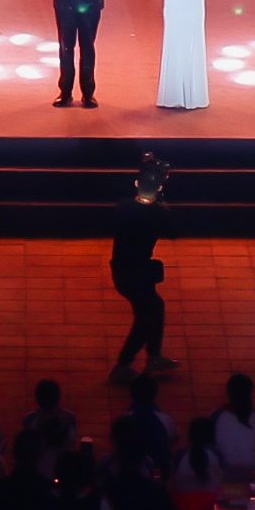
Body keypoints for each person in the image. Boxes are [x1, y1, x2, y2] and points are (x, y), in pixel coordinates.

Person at [107, 155, 173, 374]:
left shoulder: (124, 207)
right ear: (159, 188)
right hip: (138, 273)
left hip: (123, 268)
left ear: (136, 184)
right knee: (147, 316)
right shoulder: (158, 214)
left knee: (152, 309)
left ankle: (153, 356)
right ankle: (125, 364)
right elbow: (173, 231)